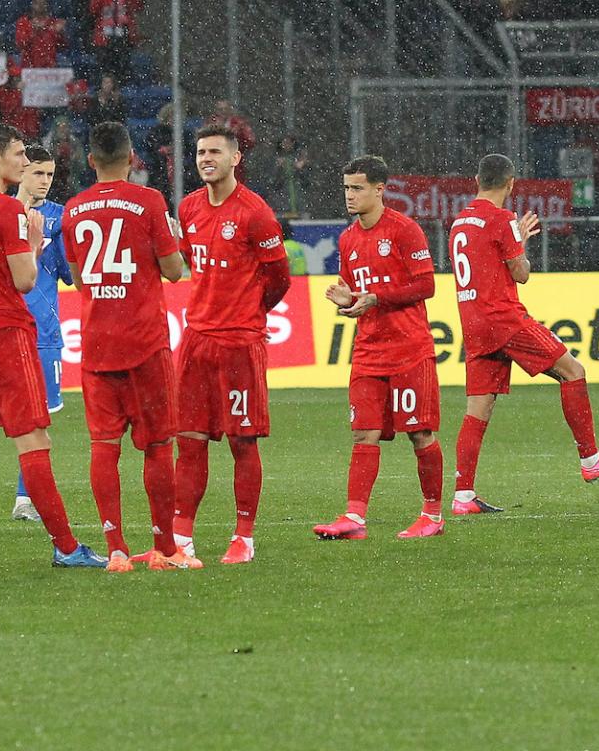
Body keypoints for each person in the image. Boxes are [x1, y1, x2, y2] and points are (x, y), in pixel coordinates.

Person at [0, 122, 105, 569]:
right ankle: (67, 547)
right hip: (6, 336)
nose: (24, 163)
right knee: (34, 438)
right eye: (17, 155)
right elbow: (26, 280)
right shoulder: (7, 211)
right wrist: (30, 240)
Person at [448, 154, 599, 514]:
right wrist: (519, 240)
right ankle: (591, 459)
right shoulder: (502, 219)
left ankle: (463, 496)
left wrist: (512, 240)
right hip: (502, 318)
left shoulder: (460, 221)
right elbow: (521, 273)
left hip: (472, 320)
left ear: (476, 179)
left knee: (478, 409)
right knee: (573, 371)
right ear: (511, 183)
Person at [60, 121, 196, 572]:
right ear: (133, 156)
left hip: (97, 344)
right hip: (144, 342)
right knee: (157, 447)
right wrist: (171, 239)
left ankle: (115, 550)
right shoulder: (149, 201)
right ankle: (165, 549)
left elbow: (80, 281)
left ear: (90, 160)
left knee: (104, 446)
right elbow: (174, 271)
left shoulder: (74, 209)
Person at [172, 124, 292, 565]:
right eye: (201, 152)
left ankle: (244, 537)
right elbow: (188, 261)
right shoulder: (188, 208)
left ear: (235, 158)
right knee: (189, 440)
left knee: (243, 442)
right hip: (196, 341)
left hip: (240, 343)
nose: (206, 159)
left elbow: (280, 278)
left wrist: (249, 312)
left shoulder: (255, 213)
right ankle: (181, 538)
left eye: (215, 152)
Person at [314, 156, 445, 542]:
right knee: (363, 434)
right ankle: (354, 518)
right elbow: (361, 296)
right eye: (346, 188)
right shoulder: (348, 238)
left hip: (409, 349)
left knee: (419, 434)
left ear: (379, 189)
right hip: (369, 350)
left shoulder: (405, 231)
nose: (350, 196)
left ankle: (433, 514)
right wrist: (348, 300)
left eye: (357, 188)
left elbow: (426, 287)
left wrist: (375, 298)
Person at [0, 145, 70, 524]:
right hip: (1, 332)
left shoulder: (60, 218)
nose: (44, 181)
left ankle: (25, 501)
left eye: (50, 175)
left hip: (43, 336)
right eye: (37, 172)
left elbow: (69, 273)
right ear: (21, 171)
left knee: (37, 424)